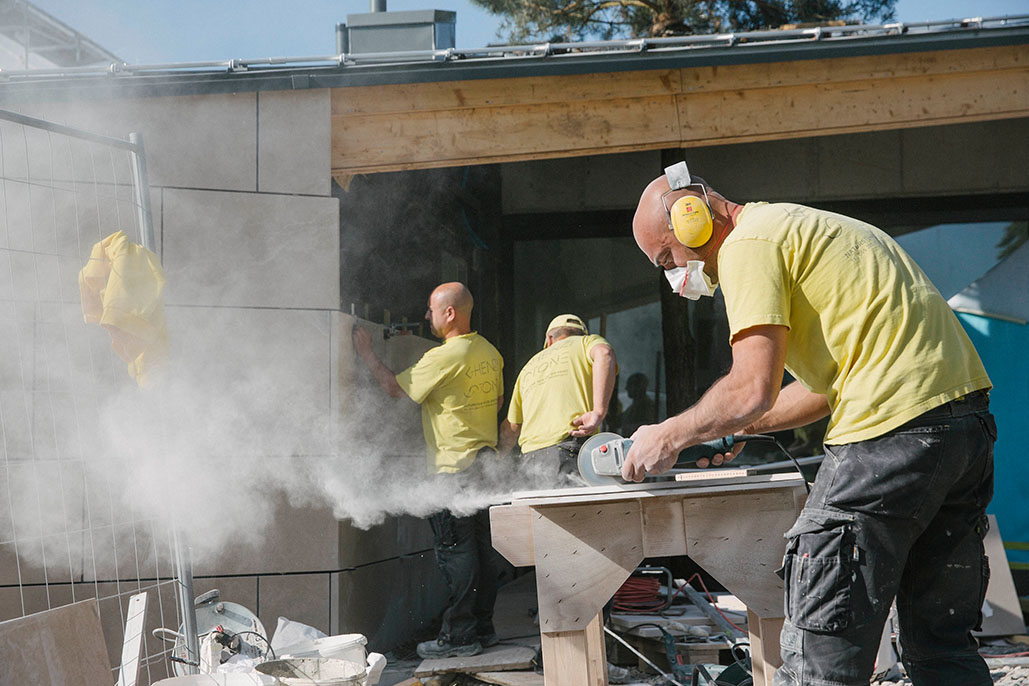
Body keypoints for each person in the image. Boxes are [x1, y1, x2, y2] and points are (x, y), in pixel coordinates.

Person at [626, 161, 995, 686]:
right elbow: (824, 388)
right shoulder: (801, 227)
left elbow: (751, 387)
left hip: (889, 436)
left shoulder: (746, 246)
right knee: (940, 649)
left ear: (692, 218)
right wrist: (739, 428)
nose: (671, 274)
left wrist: (667, 434)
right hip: (959, 430)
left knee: (820, 658)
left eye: (666, 257)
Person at [352, 282, 504, 660]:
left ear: (449, 313)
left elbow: (392, 388)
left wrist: (368, 353)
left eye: (430, 309)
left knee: (456, 553)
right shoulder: (489, 352)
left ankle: (459, 636)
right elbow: (499, 400)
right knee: (483, 552)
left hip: (452, 469)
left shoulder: (443, 357)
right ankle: (482, 628)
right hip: (484, 466)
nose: (426, 316)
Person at [498, 314, 616, 487]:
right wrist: (599, 411)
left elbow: (512, 427)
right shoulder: (586, 342)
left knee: (542, 514)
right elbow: (604, 353)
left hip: (531, 459)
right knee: (577, 513)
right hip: (569, 449)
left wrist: (499, 456)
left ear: (549, 339)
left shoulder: (528, 367)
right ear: (581, 334)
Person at [621, 372, 656, 438]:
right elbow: (620, 420)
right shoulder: (635, 405)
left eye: (629, 385)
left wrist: (628, 427)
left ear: (639, 387)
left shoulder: (646, 405)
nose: (626, 388)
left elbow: (648, 425)